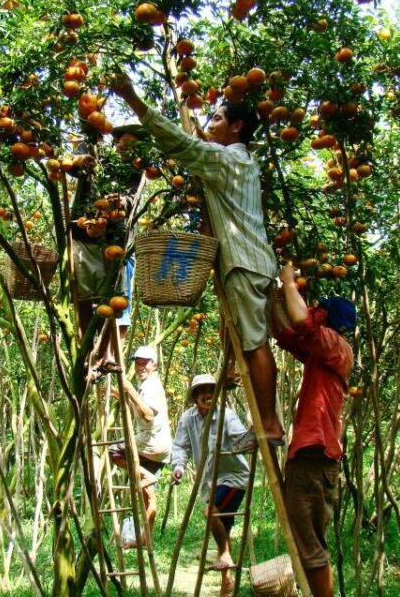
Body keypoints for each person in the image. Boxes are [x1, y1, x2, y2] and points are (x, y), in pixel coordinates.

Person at [110, 74, 283, 446]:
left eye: (218, 119)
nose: (211, 125)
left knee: (254, 344)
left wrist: (133, 99)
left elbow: (179, 144)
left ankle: (269, 425)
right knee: (247, 340)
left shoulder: (227, 160)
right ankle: (258, 408)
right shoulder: (240, 160)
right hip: (251, 262)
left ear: (237, 126)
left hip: (244, 263)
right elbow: (201, 146)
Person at [271, 262, 355, 597]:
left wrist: (289, 282)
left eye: (320, 312)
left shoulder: (336, 346)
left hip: (314, 457)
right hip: (313, 457)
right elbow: (287, 335)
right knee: (309, 542)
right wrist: (279, 295)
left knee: (309, 545)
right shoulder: (323, 354)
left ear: (329, 320)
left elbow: (303, 322)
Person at [69, 124, 147, 375]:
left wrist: (122, 201)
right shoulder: (96, 154)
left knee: (113, 300)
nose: (127, 147)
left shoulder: (136, 172)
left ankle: (101, 353)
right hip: (83, 234)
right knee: (82, 294)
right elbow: (71, 164)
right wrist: (82, 160)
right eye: (124, 141)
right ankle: (85, 344)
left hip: (112, 241)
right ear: (115, 142)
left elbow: (132, 199)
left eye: (134, 145)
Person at [171, 373, 250, 596]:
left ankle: (223, 555)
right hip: (209, 481)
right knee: (222, 528)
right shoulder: (188, 419)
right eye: (202, 391)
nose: (207, 395)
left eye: (211, 390)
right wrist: (178, 467)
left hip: (233, 477)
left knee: (210, 512)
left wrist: (251, 438)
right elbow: (180, 447)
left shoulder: (226, 415)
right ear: (195, 397)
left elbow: (239, 437)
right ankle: (227, 580)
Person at [109, 345, 171, 547]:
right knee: (148, 494)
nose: (140, 366)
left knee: (111, 451)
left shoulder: (151, 385)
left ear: (155, 364)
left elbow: (148, 414)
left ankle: (145, 474)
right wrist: (122, 395)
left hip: (148, 444)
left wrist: (130, 390)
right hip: (159, 447)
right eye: (138, 362)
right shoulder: (146, 385)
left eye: (145, 363)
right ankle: (145, 538)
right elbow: (141, 407)